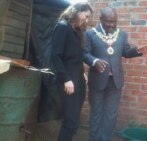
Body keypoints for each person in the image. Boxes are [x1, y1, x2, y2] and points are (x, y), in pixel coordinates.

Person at [83, 7, 147, 141]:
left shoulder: (121, 34)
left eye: (114, 21)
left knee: (111, 114)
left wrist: (136, 51)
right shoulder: (90, 34)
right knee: (96, 113)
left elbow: (126, 52)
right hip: (97, 80)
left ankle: (106, 138)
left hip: (115, 81)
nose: (112, 25)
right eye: (109, 21)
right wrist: (94, 61)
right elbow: (84, 54)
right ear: (101, 19)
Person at [51, 2, 93, 141]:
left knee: (73, 121)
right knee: (72, 121)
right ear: (77, 11)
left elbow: (76, 57)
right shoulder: (62, 27)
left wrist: (82, 73)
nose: (86, 20)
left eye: (88, 18)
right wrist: (66, 79)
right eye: (85, 16)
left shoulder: (77, 32)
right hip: (68, 81)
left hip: (78, 79)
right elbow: (55, 55)